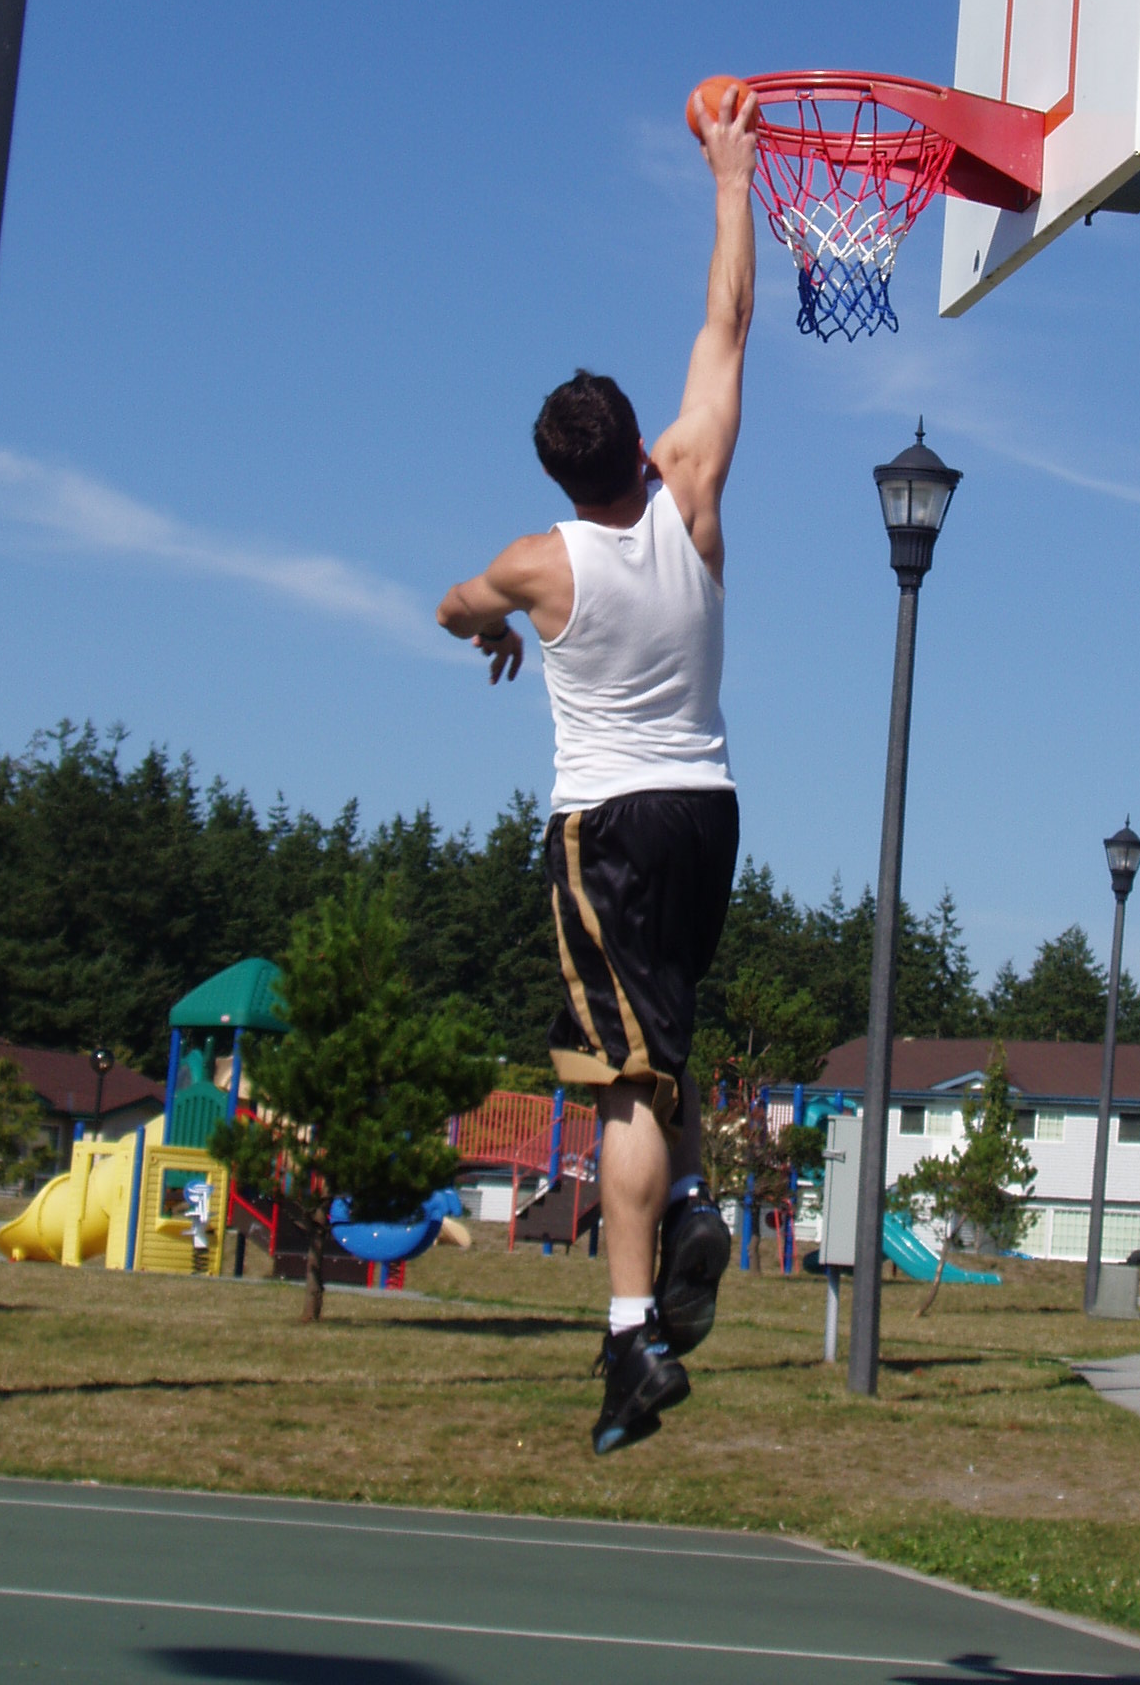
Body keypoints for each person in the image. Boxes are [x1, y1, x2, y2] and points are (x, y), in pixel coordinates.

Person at [437, 83, 757, 1455]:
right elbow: (726, 323)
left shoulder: (541, 562)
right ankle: (685, 1216)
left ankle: (631, 1344)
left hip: (606, 828)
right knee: (662, 1056)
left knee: (621, 1085)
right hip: (708, 810)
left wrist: (499, 627)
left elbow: (450, 603)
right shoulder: (690, 490)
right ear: (634, 447)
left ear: (561, 475)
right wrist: (731, 175)